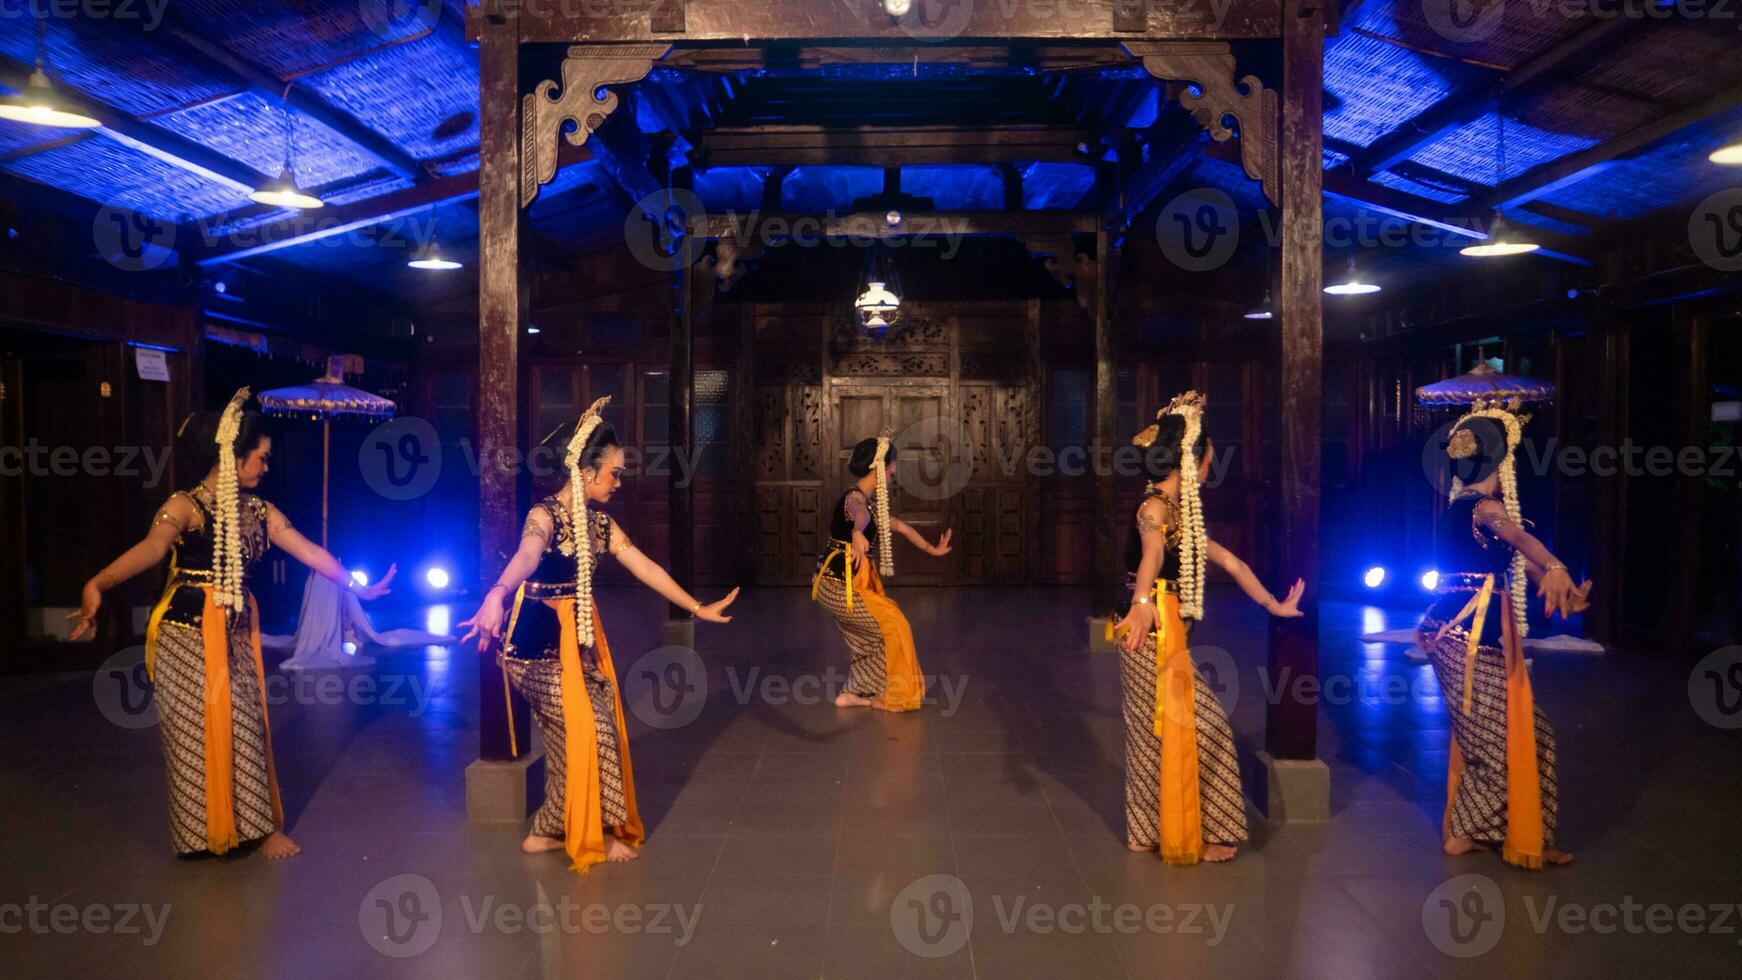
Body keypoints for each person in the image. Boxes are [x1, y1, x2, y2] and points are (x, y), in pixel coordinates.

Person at [68, 388, 395, 859]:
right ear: (233, 458)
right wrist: (99, 583)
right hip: (184, 632)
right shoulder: (186, 505)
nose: (265, 466)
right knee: (188, 733)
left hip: (235, 628)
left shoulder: (260, 511)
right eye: (260, 458)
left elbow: (309, 551)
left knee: (243, 722)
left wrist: (355, 587)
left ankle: (260, 831)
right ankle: (198, 837)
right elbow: (154, 548)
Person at [459, 396, 738, 873]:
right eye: (614, 472)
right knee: (594, 727)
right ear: (586, 473)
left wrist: (695, 607)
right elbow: (527, 557)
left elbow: (645, 566)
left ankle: (547, 830)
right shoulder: (544, 517)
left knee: (581, 728)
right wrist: (497, 594)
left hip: (576, 645)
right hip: (531, 651)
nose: (619, 480)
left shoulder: (601, 524)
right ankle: (602, 834)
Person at [1112, 392, 1305, 864]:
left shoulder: (1183, 516)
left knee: (1152, 731)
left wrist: (1272, 605)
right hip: (1147, 632)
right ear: (1189, 462)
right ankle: (1209, 828)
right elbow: (1152, 555)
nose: (1208, 469)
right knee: (1203, 727)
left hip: (1167, 633)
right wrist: (1140, 603)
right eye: (1207, 460)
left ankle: (1145, 830)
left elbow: (1232, 562)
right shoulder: (1154, 510)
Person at [1417, 398, 1592, 869]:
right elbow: (1520, 541)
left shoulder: (1461, 508)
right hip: (1464, 640)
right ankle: (1474, 833)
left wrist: (1554, 586)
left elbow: (1513, 560)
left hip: (1467, 638)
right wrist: (1554, 565)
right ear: (1503, 460)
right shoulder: (1485, 509)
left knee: (1527, 735)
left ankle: (1513, 831)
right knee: (1500, 743)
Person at [811, 432, 952, 711]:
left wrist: (932, 550)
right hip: (838, 585)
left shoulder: (871, 504)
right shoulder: (854, 499)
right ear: (878, 469)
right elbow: (858, 514)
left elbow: (900, 526)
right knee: (893, 625)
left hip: (844, 585)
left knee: (871, 639)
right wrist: (857, 532)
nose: (892, 475)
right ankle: (893, 697)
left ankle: (855, 693)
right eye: (890, 469)